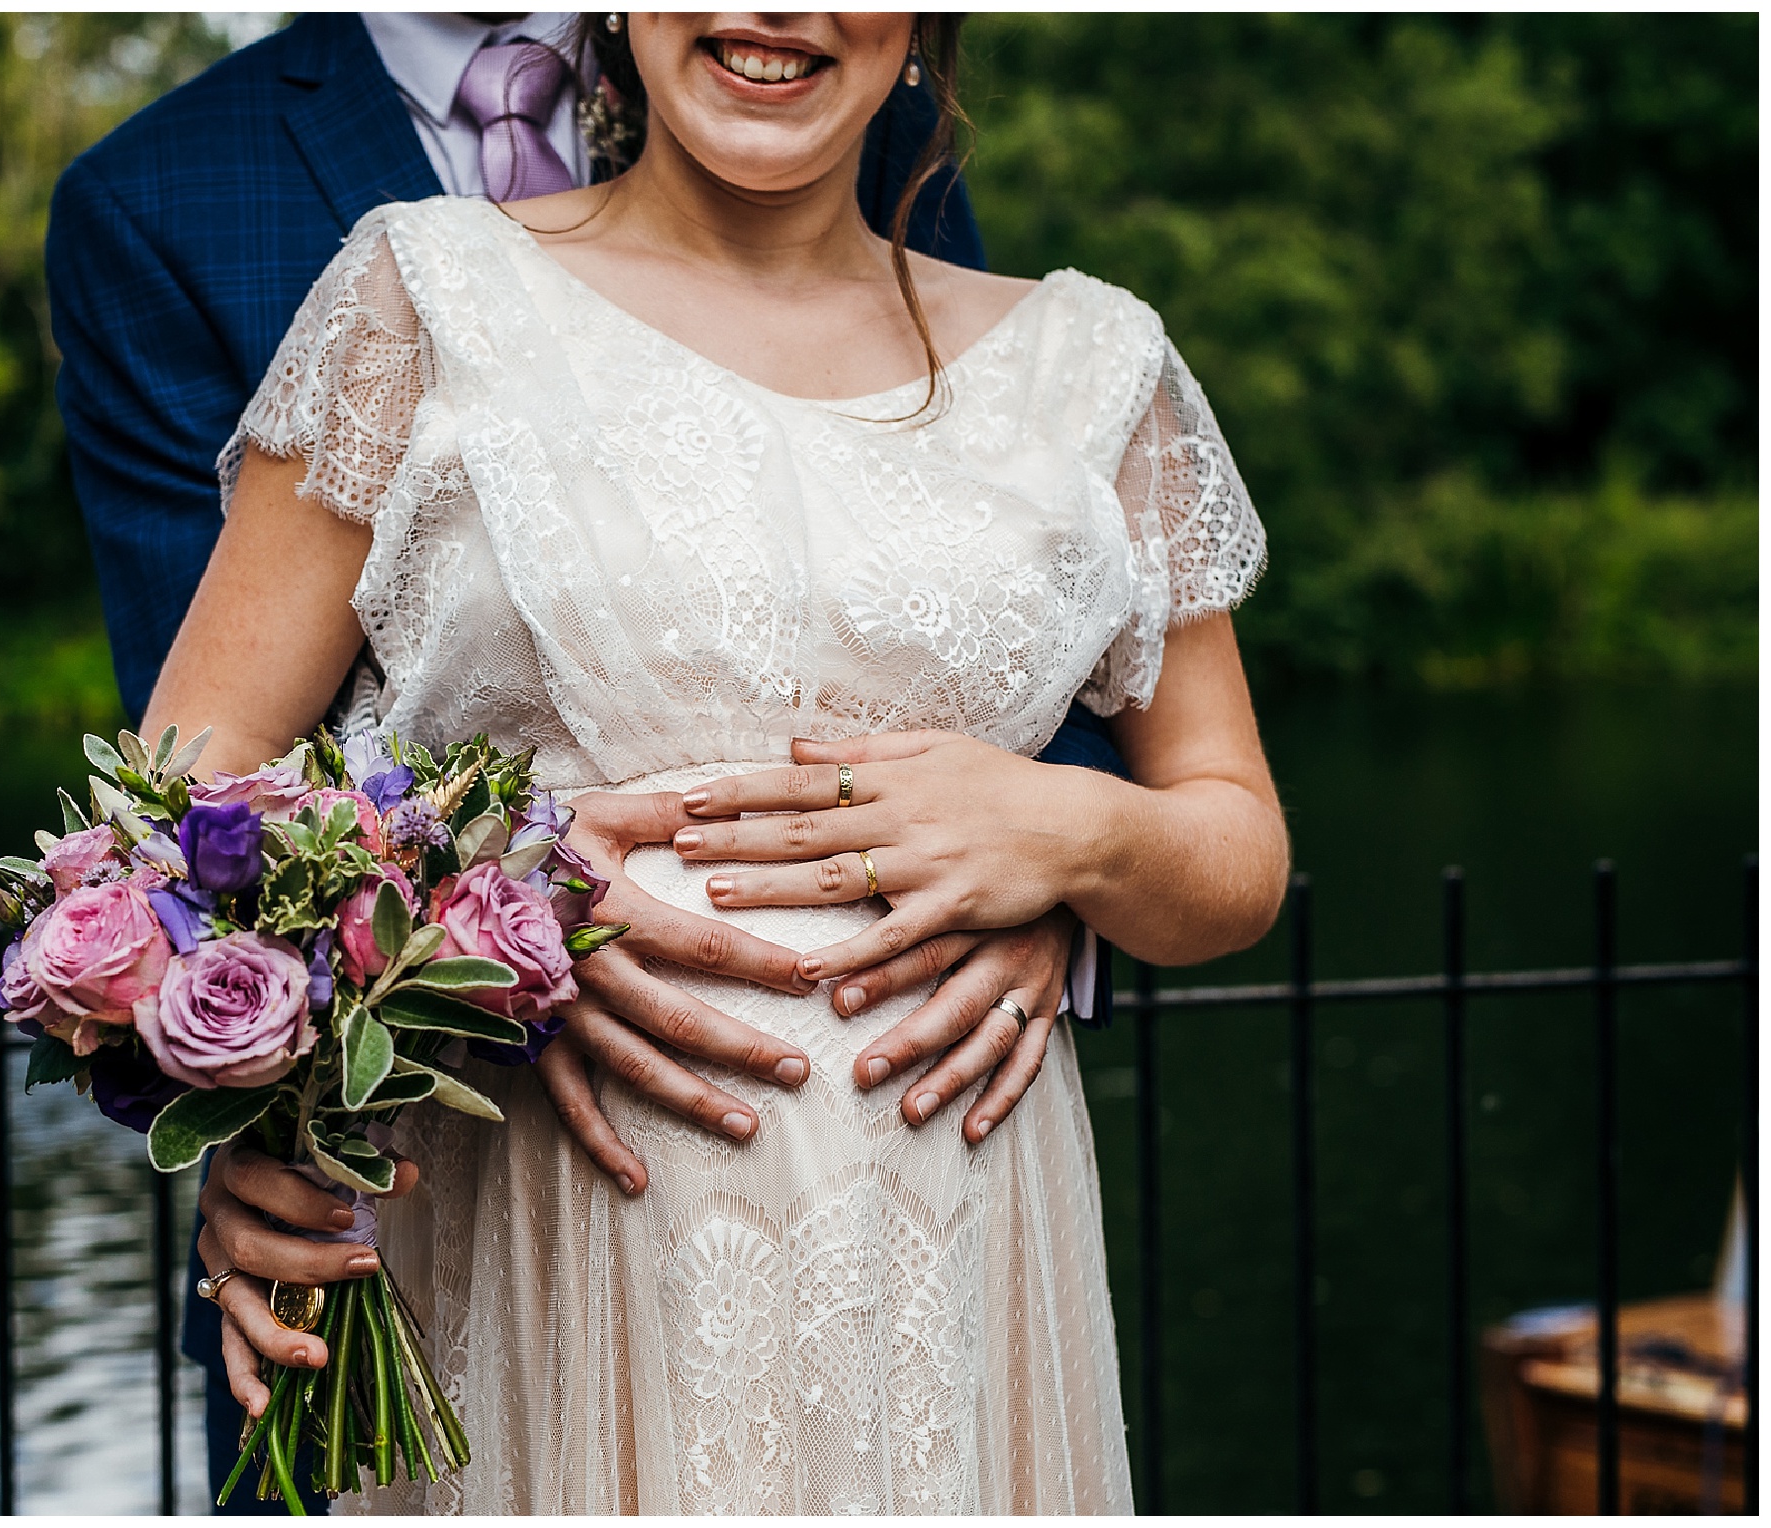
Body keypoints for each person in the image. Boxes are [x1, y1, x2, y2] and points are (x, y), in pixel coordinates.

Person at [140, 10, 1288, 1513]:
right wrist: (476, 893)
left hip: (953, 1257)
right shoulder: (425, 295)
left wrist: (1072, 834)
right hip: (548, 1227)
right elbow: (185, 781)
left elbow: (1238, 846)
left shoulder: (1093, 364)